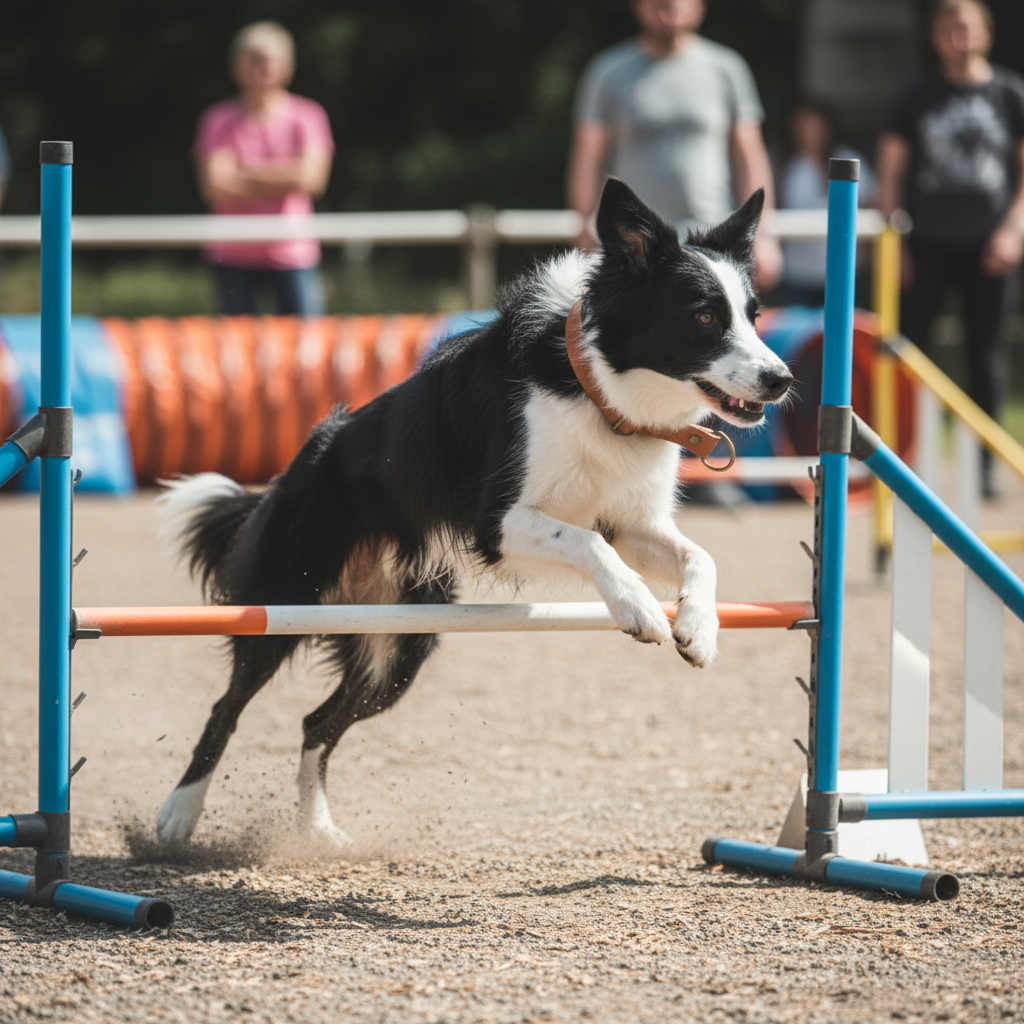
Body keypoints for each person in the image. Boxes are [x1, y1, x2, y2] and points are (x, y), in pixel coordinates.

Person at [877, 0, 1024, 497]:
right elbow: (891, 170)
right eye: (948, 27)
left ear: (986, 33)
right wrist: (895, 242)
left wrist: (1014, 230)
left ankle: (983, 470)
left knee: (987, 358)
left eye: (966, 26)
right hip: (925, 245)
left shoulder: (1009, 93)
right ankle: (902, 460)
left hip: (990, 245)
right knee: (907, 352)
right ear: (936, 37)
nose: (958, 35)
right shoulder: (914, 93)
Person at [566, 0, 782, 290]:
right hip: (638, 245)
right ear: (637, 6)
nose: (668, 5)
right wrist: (585, 225)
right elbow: (588, 157)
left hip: (711, 235)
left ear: (700, 6)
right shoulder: (607, 72)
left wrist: (762, 235)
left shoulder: (727, 69)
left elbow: (750, 156)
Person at [194, 21, 335, 316]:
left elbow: (311, 179)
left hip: (292, 250)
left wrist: (242, 172)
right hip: (233, 251)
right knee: (237, 340)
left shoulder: (308, 116)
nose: (261, 69)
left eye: (268, 60)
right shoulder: (217, 119)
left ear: (287, 67)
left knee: (304, 338)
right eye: (252, 60)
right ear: (236, 67)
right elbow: (215, 186)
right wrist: (285, 176)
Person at [775, 99, 876, 307]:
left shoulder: (847, 159)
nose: (808, 130)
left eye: (814, 124)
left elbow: (868, 206)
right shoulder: (785, 164)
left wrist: (864, 256)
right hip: (796, 274)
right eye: (802, 124)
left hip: (842, 272)